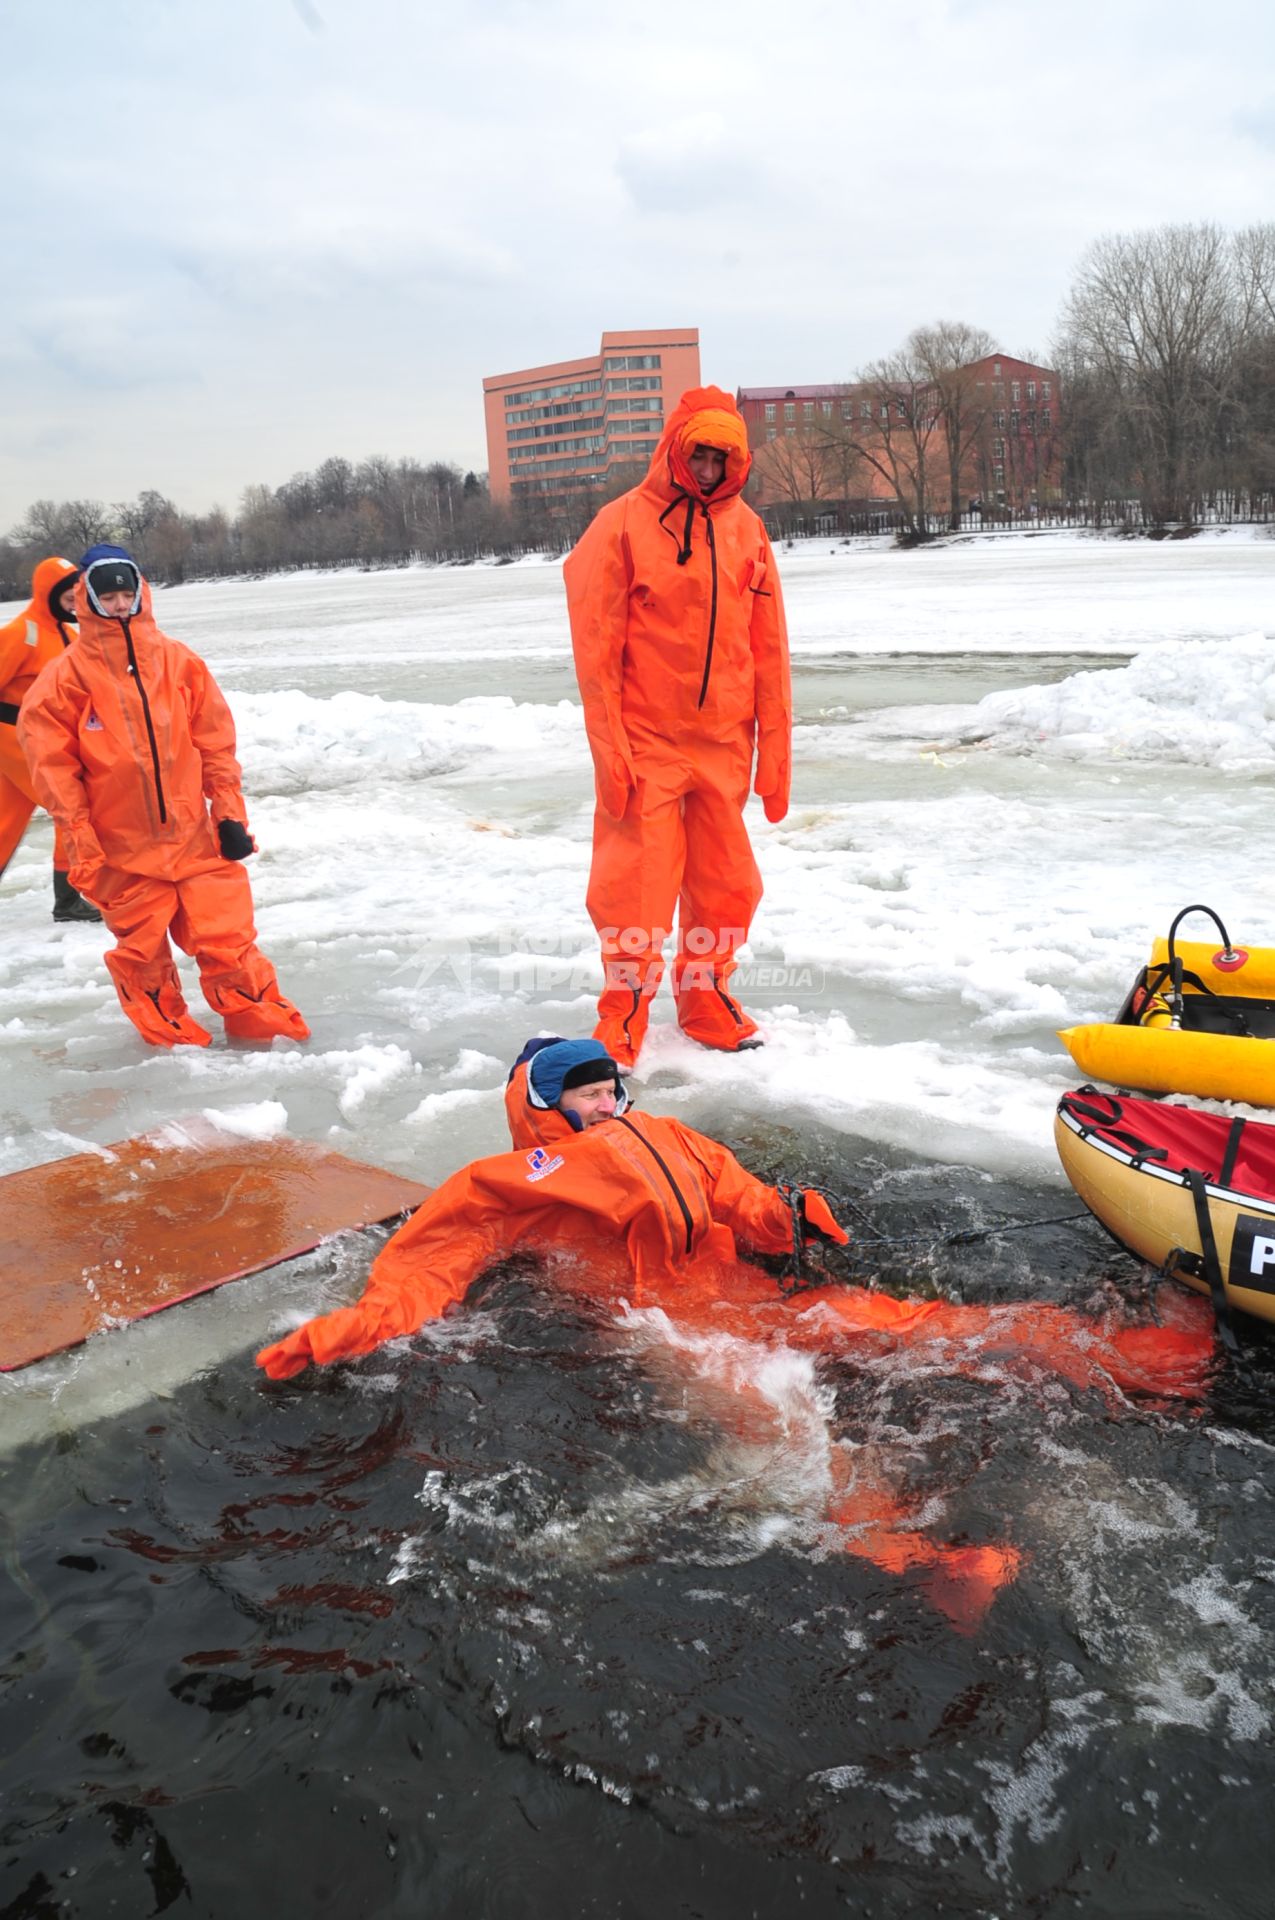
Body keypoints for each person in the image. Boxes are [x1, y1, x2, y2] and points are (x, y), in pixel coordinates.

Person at [256, 1035, 1214, 1628]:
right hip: (668, 1333)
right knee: (783, 1431)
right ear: (542, 1109)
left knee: (924, 1324)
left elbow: (744, 1201)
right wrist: (354, 1326)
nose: (608, 1102)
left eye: (611, 1088)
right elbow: (430, 1264)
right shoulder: (507, 1186)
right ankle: (923, 1563)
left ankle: (1147, 1358)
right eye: (586, 1094)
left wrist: (793, 1215)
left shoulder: (677, 1138)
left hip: (753, 1304)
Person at [564, 386, 791, 1069]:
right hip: (646, 743)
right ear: (676, 449)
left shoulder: (747, 529)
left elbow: (769, 645)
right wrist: (610, 751)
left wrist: (774, 750)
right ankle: (625, 1009)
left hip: (723, 743)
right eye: (701, 453)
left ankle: (706, 998)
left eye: (725, 457)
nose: (712, 467)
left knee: (727, 886)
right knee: (635, 886)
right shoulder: (622, 523)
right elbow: (595, 644)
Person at [18, 545, 309, 1048]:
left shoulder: (179, 662)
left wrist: (230, 817)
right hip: (122, 850)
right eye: (106, 596)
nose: (117, 605)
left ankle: (261, 1026)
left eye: (125, 594)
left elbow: (215, 743)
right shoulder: (63, 680)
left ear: (140, 595)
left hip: (196, 842)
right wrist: (83, 844)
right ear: (86, 599)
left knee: (229, 941)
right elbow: (53, 772)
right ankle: (171, 1040)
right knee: (143, 955)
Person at [0, 555, 101, 920]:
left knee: (5, 822)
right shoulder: (20, 633)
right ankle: (68, 900)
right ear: (47, 592)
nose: (75, 600)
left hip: (43, 739)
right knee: (68, 808)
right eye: (67, 594)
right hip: (16, 738)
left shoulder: (70, 634)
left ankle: (68, 898)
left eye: (78, 592)